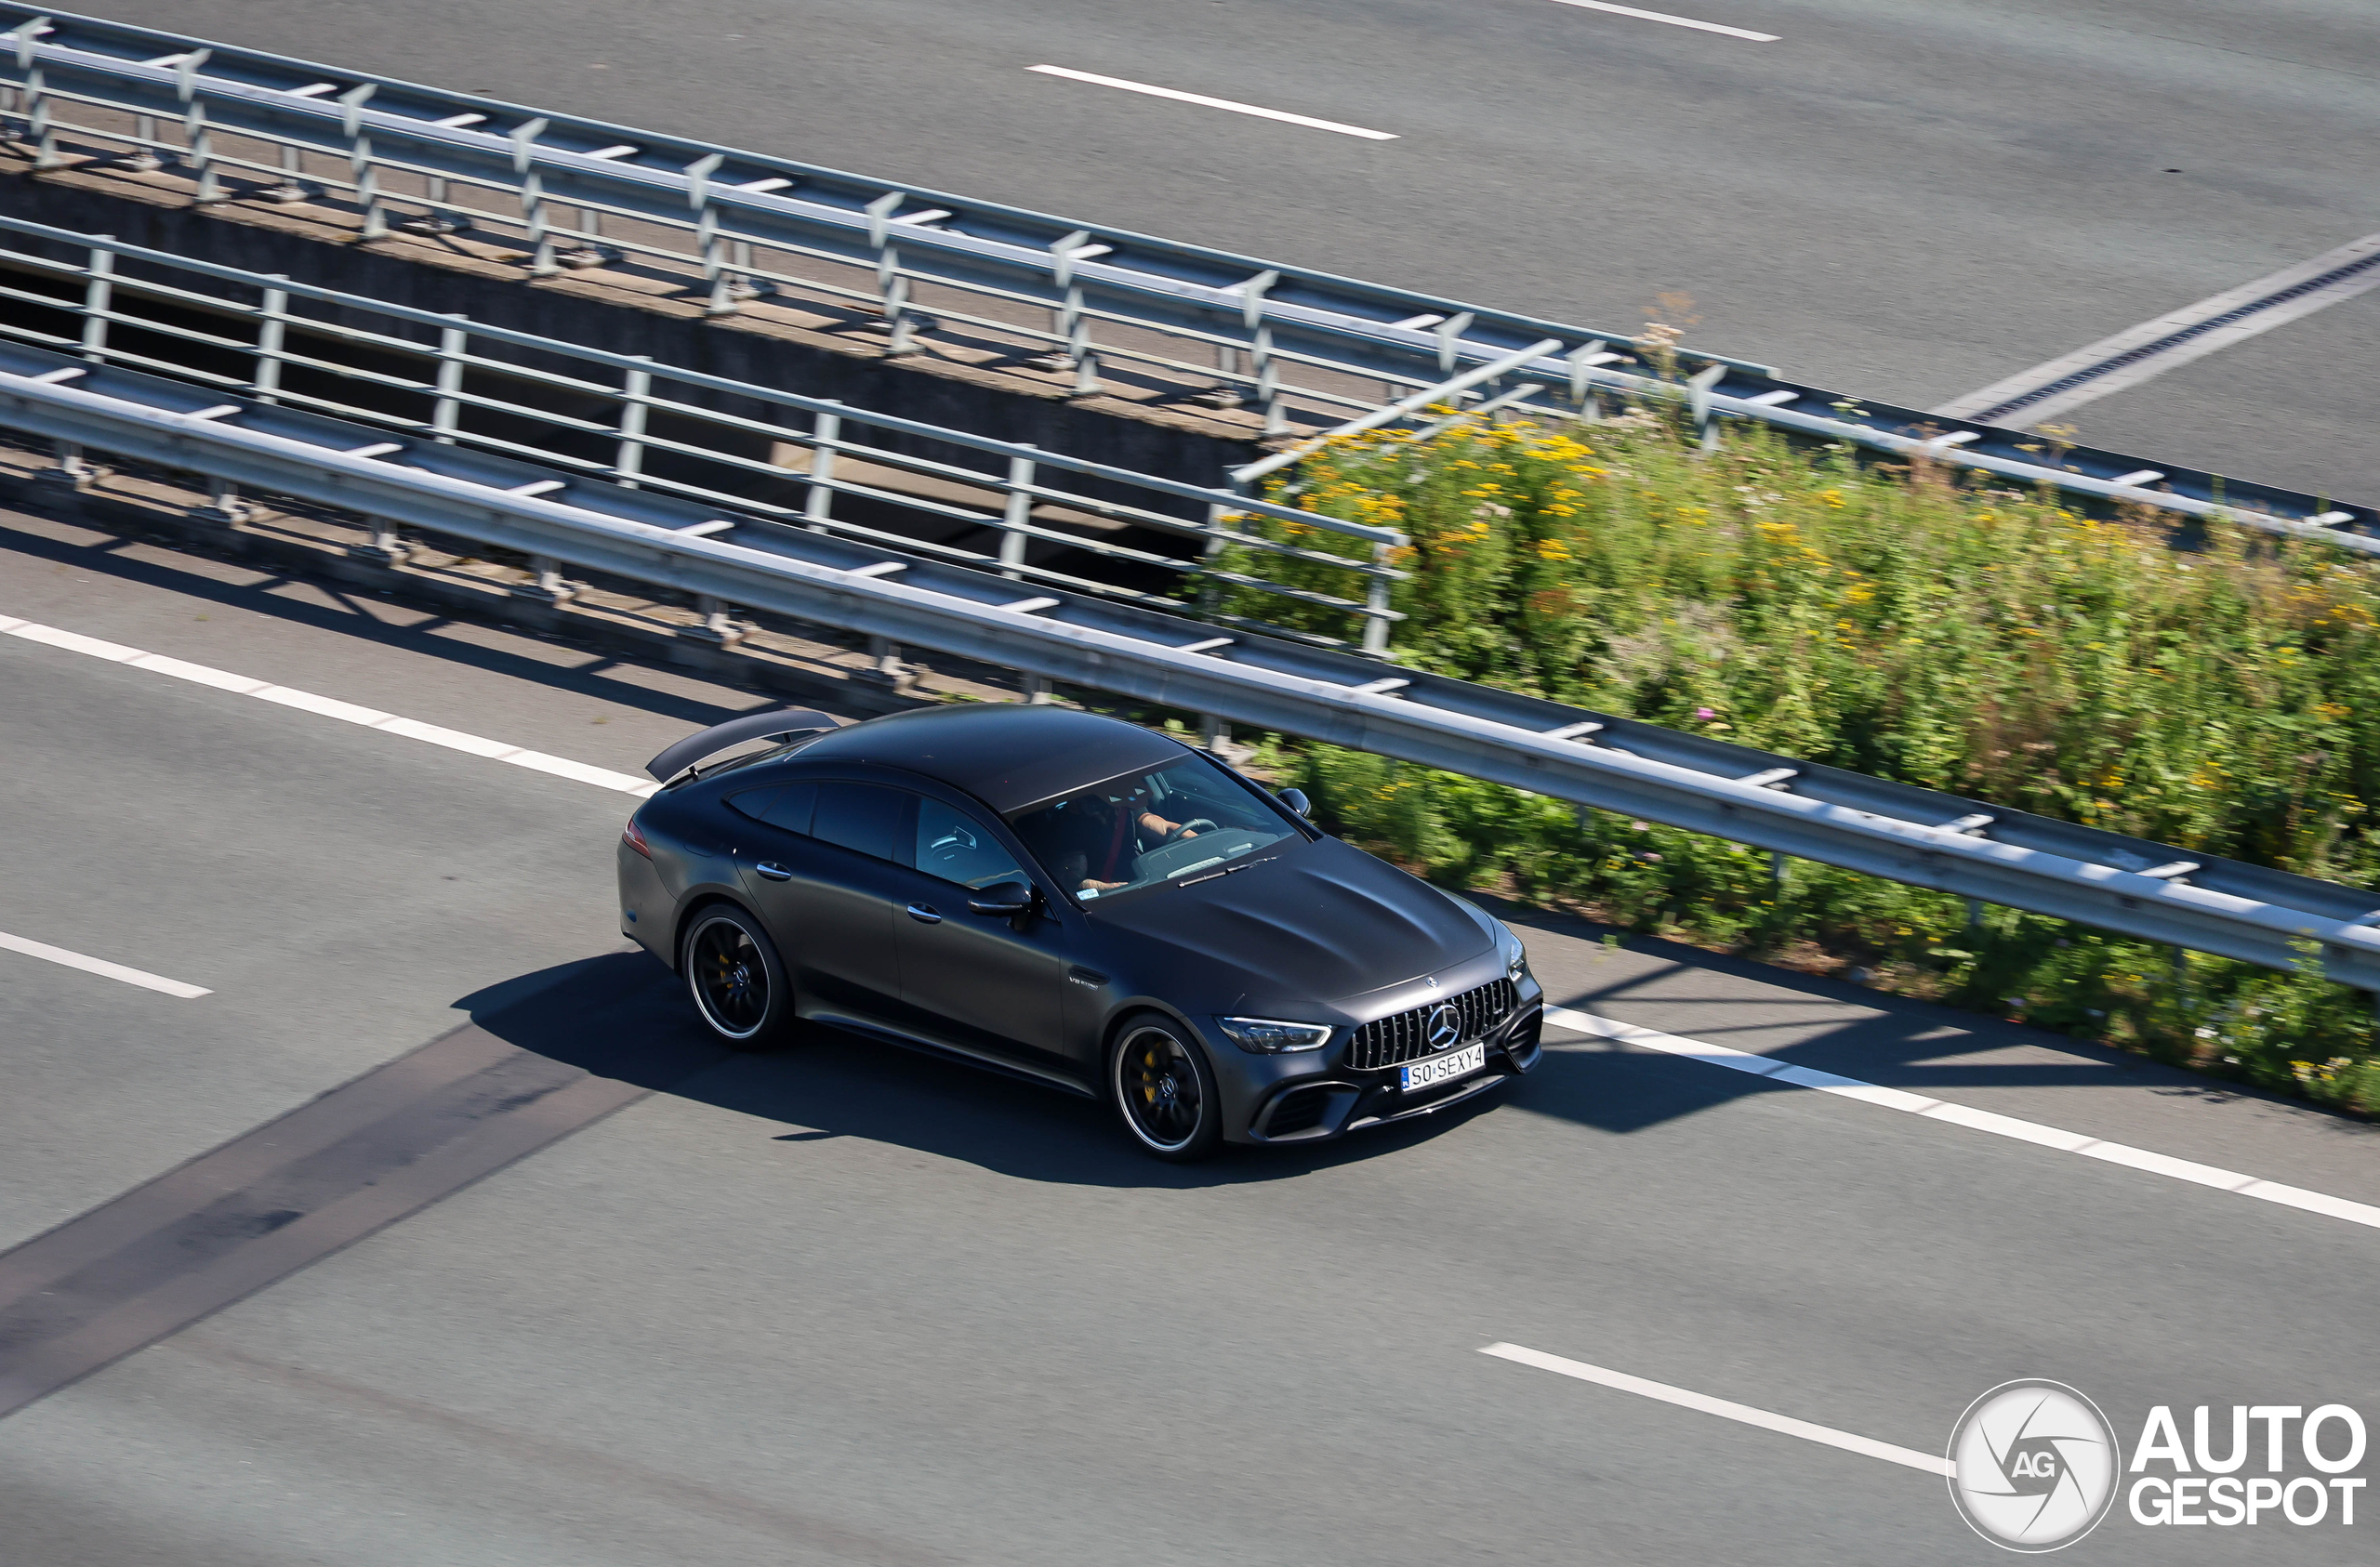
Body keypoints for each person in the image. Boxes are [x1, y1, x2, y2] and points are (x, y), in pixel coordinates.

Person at [1012, 784, 1199, 893]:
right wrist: (1117, 889)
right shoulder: (1066, 827)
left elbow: (1153, 823)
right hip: (1114, 897)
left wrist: (1192, 839)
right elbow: (1072, 881)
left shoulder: (1123, 807)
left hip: (1145, 881)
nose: (1114, 810)